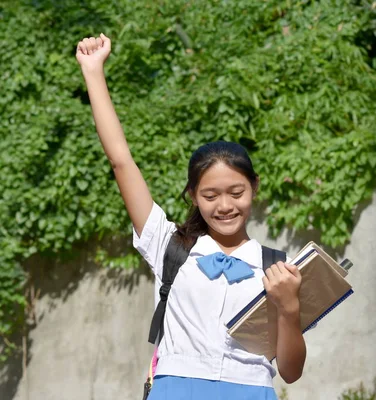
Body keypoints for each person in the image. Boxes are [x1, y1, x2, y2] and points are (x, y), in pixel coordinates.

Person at [76, 34, 306, 399]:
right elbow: (121, 161)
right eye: (210, 195)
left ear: (254, 188)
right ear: (194, 197)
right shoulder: (170, 245)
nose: (225, 205)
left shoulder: (277, 268)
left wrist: (290, 308)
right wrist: (93, 72)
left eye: (236, 192)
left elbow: (290, 373)